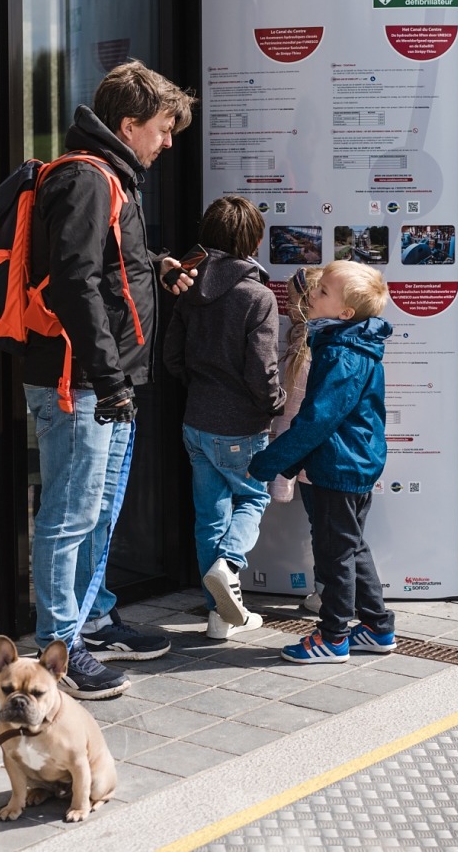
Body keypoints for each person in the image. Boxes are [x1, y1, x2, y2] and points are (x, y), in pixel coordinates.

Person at [22, 59, 196, 698]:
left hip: (103, 380)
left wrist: (158, 266)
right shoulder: (89, 180)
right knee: (70, 514)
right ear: (128, 124)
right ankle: (57, 654)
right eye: (162, 127)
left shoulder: (111, 179)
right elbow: (74, 282)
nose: (169, 140)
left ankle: (92, 619)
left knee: (93, 510)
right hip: (80, 382)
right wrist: (109, 376)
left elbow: (105, 263)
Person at [247, 260, 396, 664]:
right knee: (350, 547)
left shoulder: (343, 355)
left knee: (334, 556)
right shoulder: (344, 343)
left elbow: (317, 421)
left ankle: (332, 637)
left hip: (338, 468)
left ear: (345, 313)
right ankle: (378, 627)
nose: (313, 294)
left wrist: (268, 463)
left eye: (324, 292)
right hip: (347, 464)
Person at [163, 196, 285, 641]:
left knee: (209, 517)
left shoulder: (188, 290)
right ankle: (229, 565)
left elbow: (172, 355)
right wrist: (276, 402)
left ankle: (219, 617)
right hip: (242, 425)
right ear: (254, 241)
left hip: (196, 420)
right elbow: (262, 369)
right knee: (253, 498)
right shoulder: (258, 296)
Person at [272, 266, 323, 612]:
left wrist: (282, 477)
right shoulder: (322, 346)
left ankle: (328, 593)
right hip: (328, 457)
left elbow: (287, 417)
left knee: (323, 529)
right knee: (331, 531)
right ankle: (327, 592)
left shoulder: (299, 350)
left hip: (307, 457)